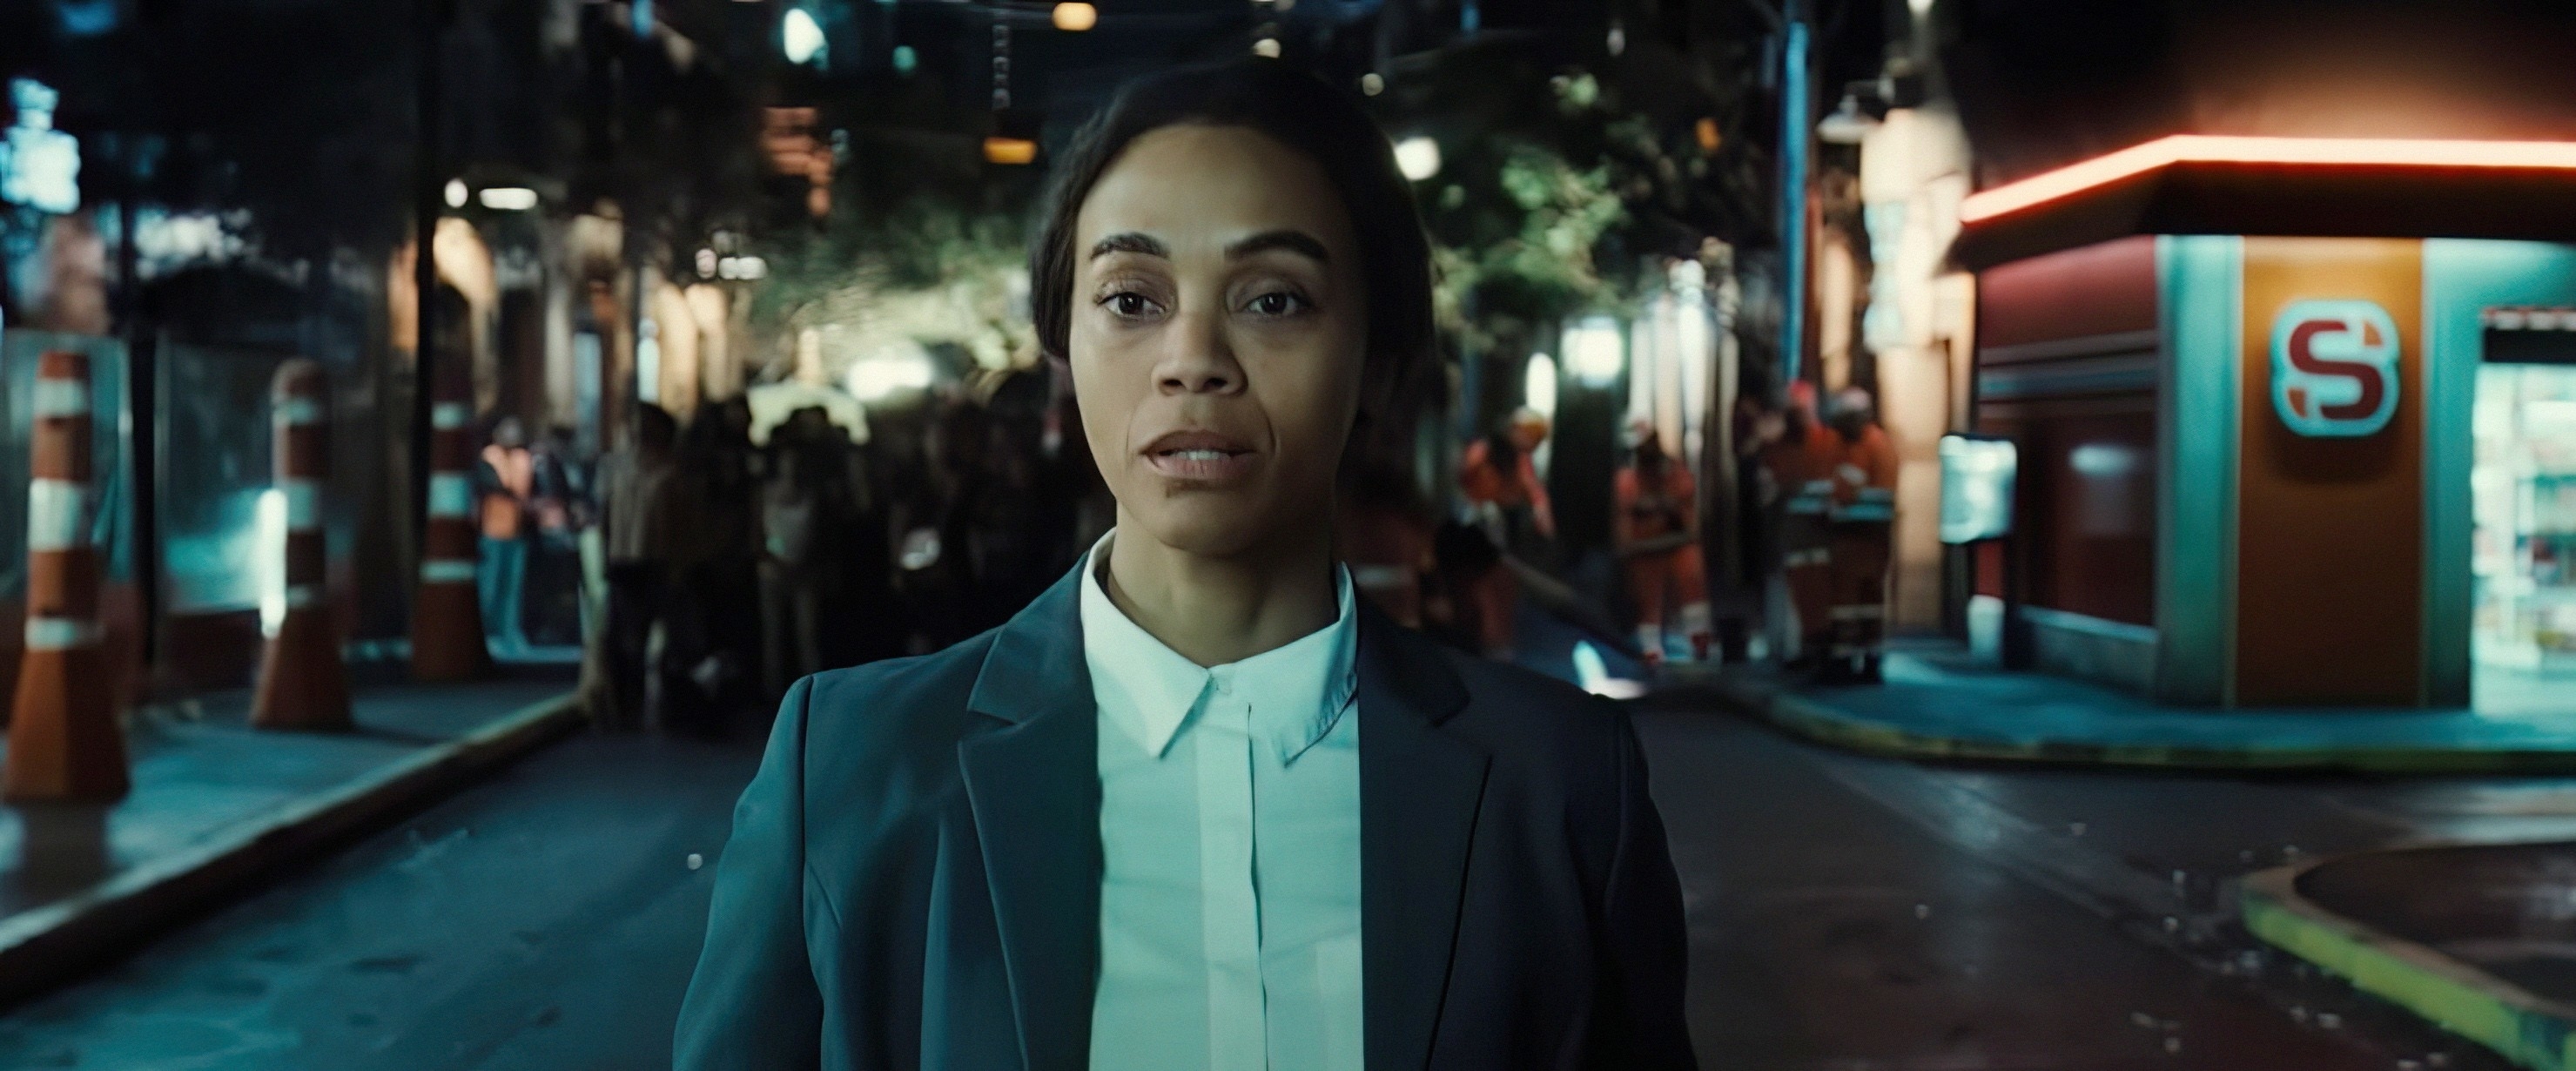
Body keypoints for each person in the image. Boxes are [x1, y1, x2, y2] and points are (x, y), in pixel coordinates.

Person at [675, 58, 1692, 1071]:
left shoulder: (1558, 787)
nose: (1192, 357)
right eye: (1130, 298)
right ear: (1062, 349)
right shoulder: (852, 769)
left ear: (1376, 361)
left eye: (1275, 301)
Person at [595, 404, 689, 730]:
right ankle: (625, 704)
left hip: (659, 559)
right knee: (625, 636)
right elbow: (604, 514)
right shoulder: (613, 466)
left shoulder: (671, 467)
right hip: (623, 559)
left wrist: (680, 560)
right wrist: (604, 555)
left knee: (662, 635)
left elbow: (682, 520)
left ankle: (666, 703)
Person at [1616, 425, 1714, 669]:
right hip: (1645, 548)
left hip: (1678, 543)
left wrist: (1664, 505)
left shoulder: (1674, 472)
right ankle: (1651, 653)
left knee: (1693, 591)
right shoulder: (1629, 478)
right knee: (1648, 601)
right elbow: (1625, 514)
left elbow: (1685, 507)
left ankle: (1700, 643)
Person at [1761, 381, 1845, 668]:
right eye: (1792, 411)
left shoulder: (1829, 442)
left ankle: (1816, 647)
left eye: (1801, 411)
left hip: (1822, 533)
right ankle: (1798, 648)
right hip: (1791, 533)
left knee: (1819, 594)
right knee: (1794, 594)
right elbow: (1768, 488)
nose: (1797, 417)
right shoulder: (1778, 447)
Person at [1826, 387, 1899, 682]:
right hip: (1847, 538)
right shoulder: (1841, 444)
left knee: (1868, 600)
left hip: (1869, 537)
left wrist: (1843, 499)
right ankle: (1845, 658)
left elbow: (1879, 494)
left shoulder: (1878, 446)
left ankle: (1868, 659)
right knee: (1845, 602)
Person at [476, 415, 535, 655]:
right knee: (489, 586)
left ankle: (509, 633)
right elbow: (492, 485)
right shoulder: (489, 457)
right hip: (492, 531)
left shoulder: (524, 459)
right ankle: (488, 634)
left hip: (517, 531)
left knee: (512, 588)